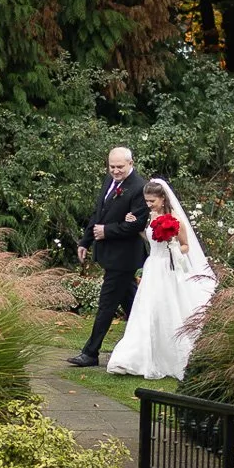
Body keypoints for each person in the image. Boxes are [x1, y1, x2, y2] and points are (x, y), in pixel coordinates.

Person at [107, 179, 216, 380]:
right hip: (153, 266)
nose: (149, 204)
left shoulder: (174, 219)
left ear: (163, 198)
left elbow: (185, 246)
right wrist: (135, 225)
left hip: (167, 268)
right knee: (146, 309)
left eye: (152, 201)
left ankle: (168, 355)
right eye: (147, 201)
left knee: (165, 307)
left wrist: (172, 246)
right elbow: (150, 239)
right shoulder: (152, 216)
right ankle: (135, 356)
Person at [69, 147, 150, 368]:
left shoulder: (139, 187)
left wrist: (107, 231)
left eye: (119, 167)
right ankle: (150, 341)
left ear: (131, 163)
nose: (115, 171)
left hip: (124, 256)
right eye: (111, 166)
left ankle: (90, 352)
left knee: (106, 303)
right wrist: (85, 241)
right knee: (133, 303)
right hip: (110, 254)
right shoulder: (110, 181)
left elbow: (138, 223)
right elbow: (98, 213)